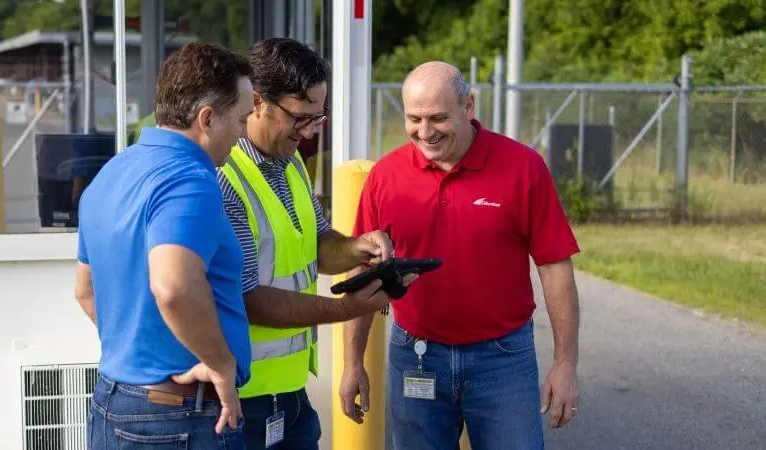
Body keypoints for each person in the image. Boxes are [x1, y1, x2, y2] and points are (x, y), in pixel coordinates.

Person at [339, 61, 582, 449]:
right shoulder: (385, 176)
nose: (425, 131)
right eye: (414, 118)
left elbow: (555, 268)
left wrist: (565, 363)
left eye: (438, 117)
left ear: (468, 107)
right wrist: (354, 363)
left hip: (503, 360)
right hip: (415, 355)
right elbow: (363, 271)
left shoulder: (523, 168)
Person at [216, 37, 413, 449]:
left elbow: (319, 242)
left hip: (289, 393)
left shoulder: (290, 166)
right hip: (238, 401)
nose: (307, 133)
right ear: (257, 102)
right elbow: (249, 297)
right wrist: (348, 309)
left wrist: (360, 248)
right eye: (299, 118)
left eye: (318, 118)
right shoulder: (224, 176)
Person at [74, 41, 255, 449]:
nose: (243, 134)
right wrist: (221, 365)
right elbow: (172, 286)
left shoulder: (113, 171)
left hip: (113, 401)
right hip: (176, 418)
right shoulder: (189, 178)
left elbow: (85, 292)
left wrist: (141, 355)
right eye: (241, 120)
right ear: (206, 119)